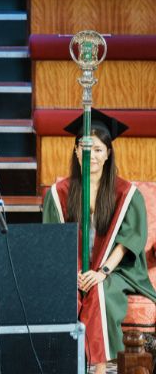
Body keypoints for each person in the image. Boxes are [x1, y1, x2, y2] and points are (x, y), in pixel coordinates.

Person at [42, 108, 155, 374]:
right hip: (73, 269)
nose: (90, 155)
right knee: (65, 295)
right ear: (75, 151)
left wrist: (102, 272)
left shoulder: (127, 193)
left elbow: (129, 241)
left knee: (99, 292)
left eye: (98, 149)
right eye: (84, 147)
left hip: (117, 270)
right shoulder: (59, 193)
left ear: (108, 154)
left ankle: (100, 368)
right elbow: (52, 241)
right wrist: (73, 273)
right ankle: (65, 365)